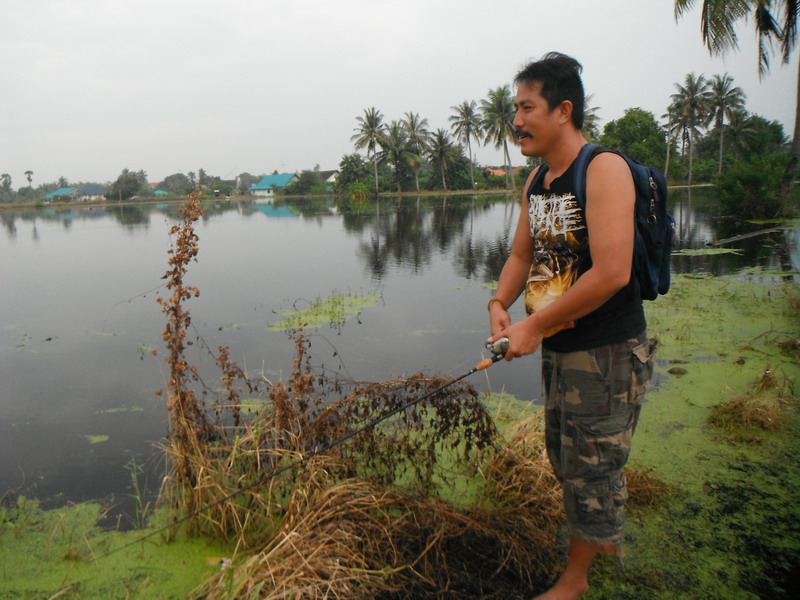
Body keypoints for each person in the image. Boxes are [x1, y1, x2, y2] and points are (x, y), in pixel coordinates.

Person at [486, 52, 656, 600]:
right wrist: (499, 303)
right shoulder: (539, 180)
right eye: (516, 108)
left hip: (606, 350)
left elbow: (612, 272)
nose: (516, 120)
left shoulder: (602, 168)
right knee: (566, 456)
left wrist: (533, 330)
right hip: (561, 346)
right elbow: (520, 255)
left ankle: (576, 580)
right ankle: (600, 542)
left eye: (526, 108)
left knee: (594, 465)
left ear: (563, 110)